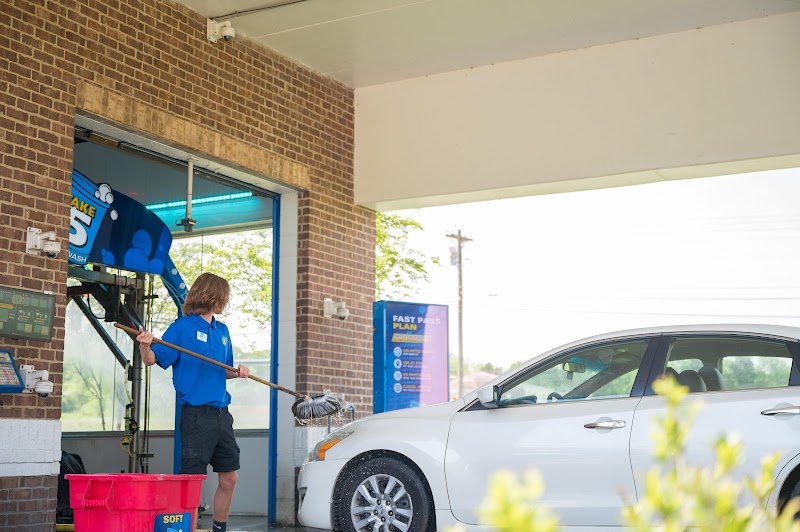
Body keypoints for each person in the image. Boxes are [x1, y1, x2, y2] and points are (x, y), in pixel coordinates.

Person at [136, 272, 250, 532]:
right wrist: (144, 345)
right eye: (225, 295)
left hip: (222, 414)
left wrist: (239, 371)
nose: (227, 300)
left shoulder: (222, 331)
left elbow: (224, 370)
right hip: (196, 416)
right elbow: (152, 359)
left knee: (229, 477)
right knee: (191, 482)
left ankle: (219, 528)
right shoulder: (182, 328)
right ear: (214, 295)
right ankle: (184, 528)